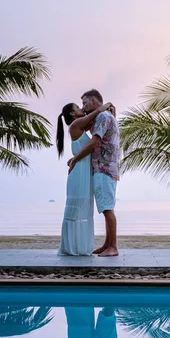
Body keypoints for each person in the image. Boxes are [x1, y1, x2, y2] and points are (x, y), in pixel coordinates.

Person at [56, 101, 114, 256]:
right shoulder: (76, 124)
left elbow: (100, 125)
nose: (82, 108)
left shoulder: (79, 125)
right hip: (79, 172)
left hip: (84, 170)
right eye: (78, 108)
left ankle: (80, 246)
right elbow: (95, 114)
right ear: (72, 114)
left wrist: (111, 114)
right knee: (78, 208)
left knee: (84, 209)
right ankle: (73, 247)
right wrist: (104, 105)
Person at [68, 89, 120, 257]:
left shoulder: (103, 117)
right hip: (105, 167)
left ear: (94, 101)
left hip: (103, 167)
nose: (83, 107)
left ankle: (113, 247)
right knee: (106, 207)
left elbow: (94, 143)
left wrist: (75, 159)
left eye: (84, 103)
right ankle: (107, 244)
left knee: (107, 208)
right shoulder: (103, 117)